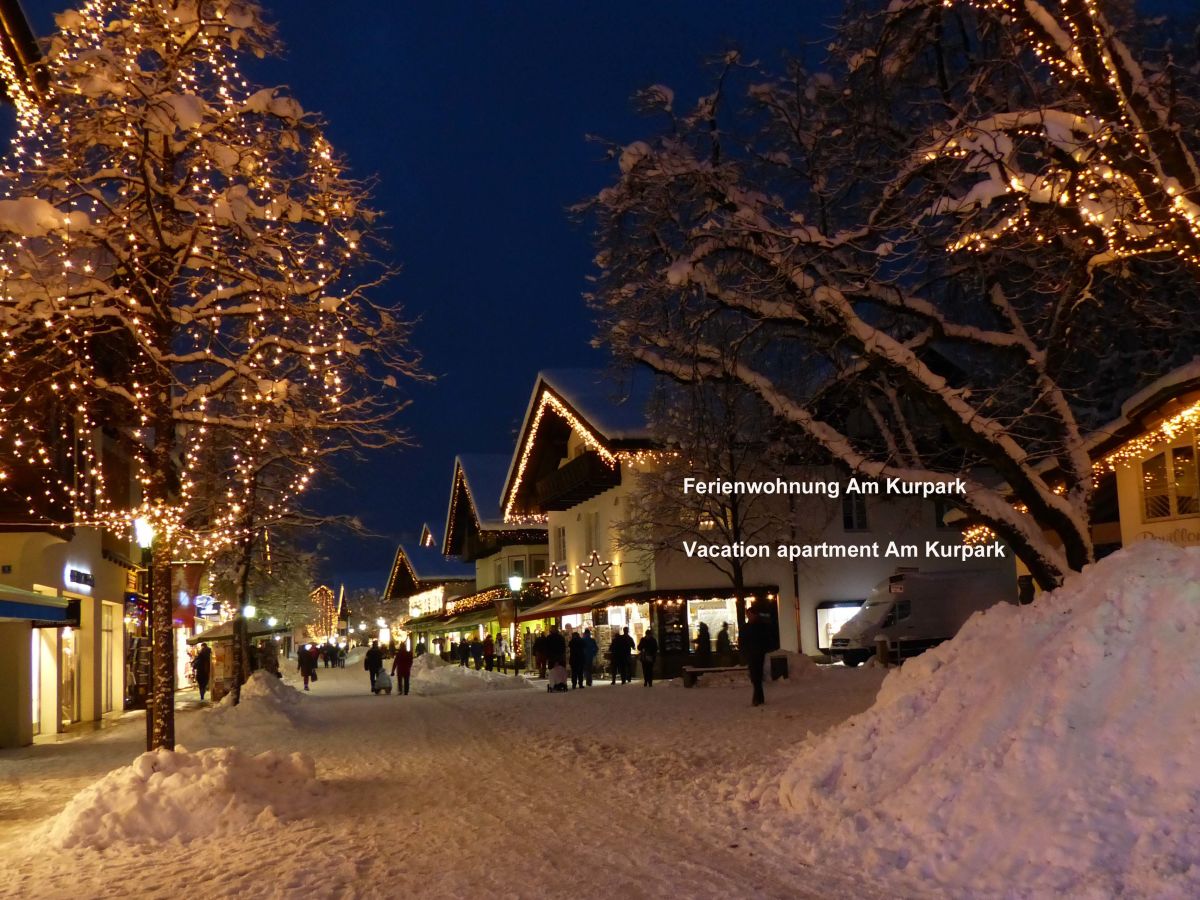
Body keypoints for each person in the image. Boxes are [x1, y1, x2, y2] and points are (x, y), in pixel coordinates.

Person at [742, 609, 772, 707]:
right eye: (747, 614)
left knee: (756, 676)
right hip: (752, 653)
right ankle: (759, 697)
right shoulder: (748, 626)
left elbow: (764, 639)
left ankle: (757, 698)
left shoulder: (758, 626)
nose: (748, 616)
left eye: (750, 614)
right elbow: (743, 640)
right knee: (755, 676)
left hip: (757, 654)